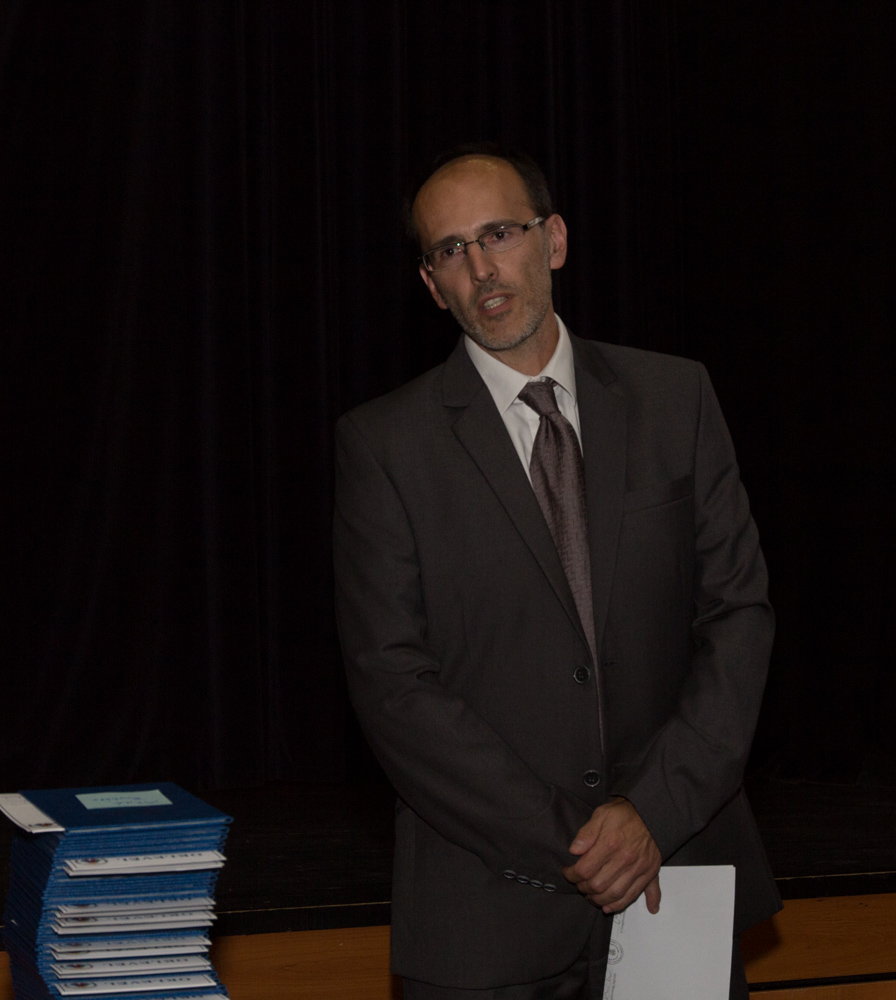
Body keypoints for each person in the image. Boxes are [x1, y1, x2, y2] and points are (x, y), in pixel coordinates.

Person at [333, 145, 780, 999]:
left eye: (499, 233)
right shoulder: (384, 447)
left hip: (671, 886)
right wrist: (579, 844)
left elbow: (738, 619)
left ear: (556, 239)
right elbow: (392, 684)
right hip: (485, 920)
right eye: (450, 249)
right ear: (431, 285)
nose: (481, 267)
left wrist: (651, 813)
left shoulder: (675, 398)